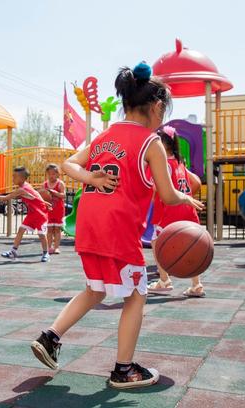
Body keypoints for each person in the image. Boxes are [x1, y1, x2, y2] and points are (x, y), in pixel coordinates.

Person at [30, 63, 203, 389]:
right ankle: (123, 369)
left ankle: (50, 336)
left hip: (89, 226)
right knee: (136, 295)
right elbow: (166, 193)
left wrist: (90, 177)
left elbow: (68, 164)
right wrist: (185, 199)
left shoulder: (105, 135)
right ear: (156, 107)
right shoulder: (151, 143)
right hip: (117, 230)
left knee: (96, 289)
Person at [147, 126, 205, 297]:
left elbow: (155, 189)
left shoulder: (162, 164)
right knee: (191, 246)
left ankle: (164, 280)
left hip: (170, 209)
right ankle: (197, 284)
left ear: (164, 143)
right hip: (187, 208)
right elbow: (194, 182)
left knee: (156, 242)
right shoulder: (180, 161)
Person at [0, 166, 52, 262]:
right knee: (21, 230)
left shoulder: (22, 189)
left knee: (41, 235)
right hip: (32, 214)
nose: (12, 178)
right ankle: (13, 251)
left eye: (15, 176)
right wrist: (44, 202)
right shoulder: (26, 186)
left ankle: (46, 253)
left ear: (22, 178)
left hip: (40, 214)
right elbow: (36, 194)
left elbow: (6, 198)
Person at [43, 163, 66, 254]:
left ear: (57, 174)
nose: (51, 176)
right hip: (48, 211)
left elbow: (63, 195)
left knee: (57, 229)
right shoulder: (44, 184)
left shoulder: (60, 184)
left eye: (53, 174)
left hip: (58, 210)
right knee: (49, 229)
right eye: (49, 174)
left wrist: (54, 192)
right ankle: (49, 247)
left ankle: (56, 247)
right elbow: (41, 197)